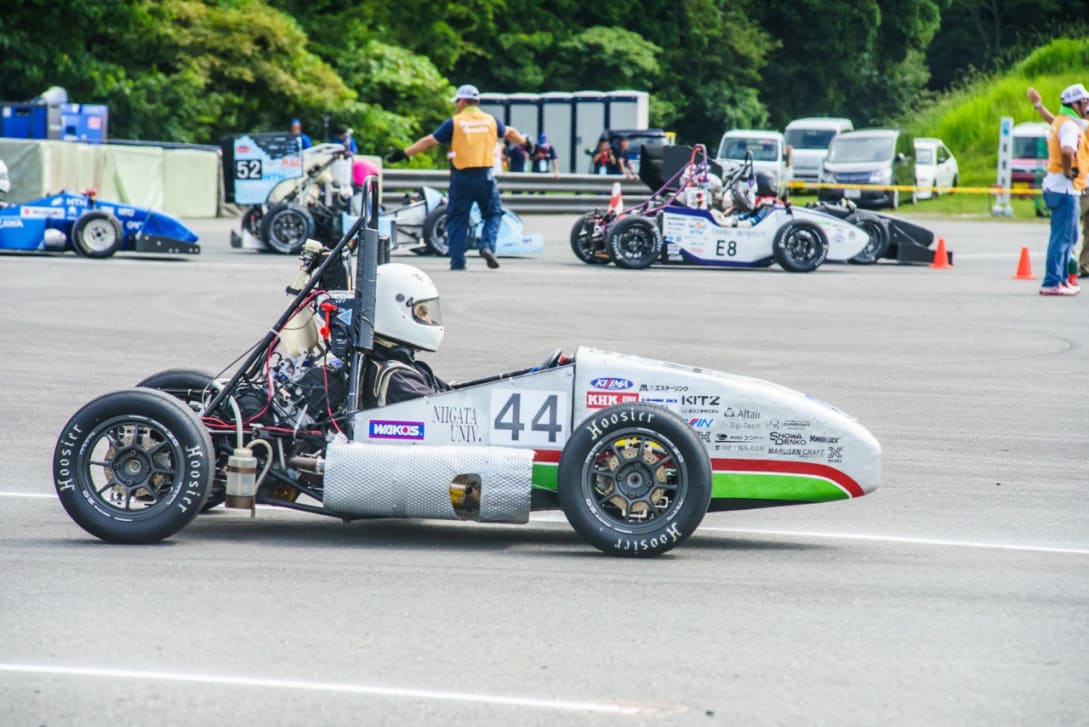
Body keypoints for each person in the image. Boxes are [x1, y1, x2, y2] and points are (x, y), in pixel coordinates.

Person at [386, 84, 535, 270]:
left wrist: (404, 153)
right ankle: (487, 246)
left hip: (461, 177)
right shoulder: (490, 121)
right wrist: (526, 144)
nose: (456, 105)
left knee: (457, 218)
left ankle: (457, 261)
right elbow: (511, 132)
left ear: (463, 101)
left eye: (457, 101)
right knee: (493, 213)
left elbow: (429, 141)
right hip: (485, 177)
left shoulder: (455, 122)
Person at [1026, 83, 1089, 295]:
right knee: (1062, 237)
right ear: (1075, 103)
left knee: (1067, 236)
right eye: (1084, 102)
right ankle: (1053, 281)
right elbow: (1066, 150)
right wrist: (1068, 169)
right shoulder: (1070, 125)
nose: (1087, 106)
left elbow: (1053, 122)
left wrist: (1038, 106)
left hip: (1065, 187)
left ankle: (1061, 279)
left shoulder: (1065, 122)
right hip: (1064, 188)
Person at [363, 263, 451, 407]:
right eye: (422, 312)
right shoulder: (399, 379)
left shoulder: (407, 369)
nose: (429, 319)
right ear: (394, 311)